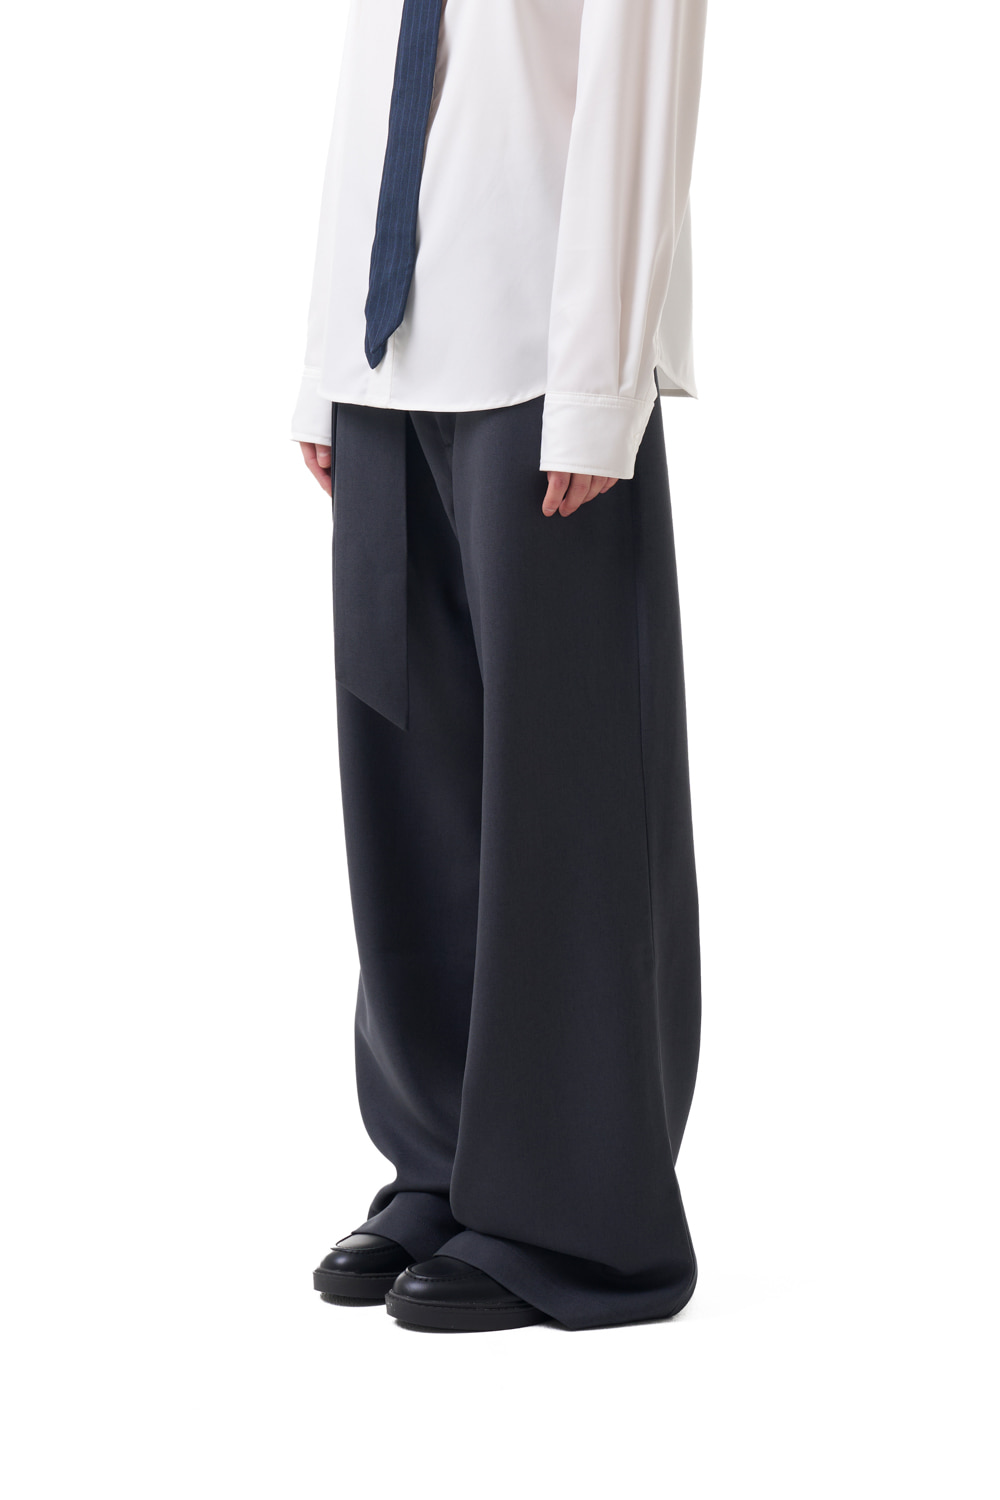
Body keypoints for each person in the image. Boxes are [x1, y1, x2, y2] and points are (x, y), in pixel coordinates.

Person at [292, 0, 708, 1333]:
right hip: (397, 344)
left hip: (540, 340)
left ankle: (582, 1215)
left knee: (568, 794)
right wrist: (328, 360)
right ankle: (444, 1158)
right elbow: (379, 65)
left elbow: (639, 75)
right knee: (406, 782)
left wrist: (600, 382)